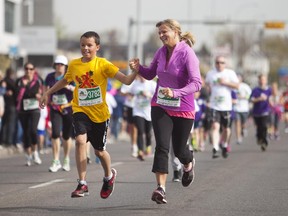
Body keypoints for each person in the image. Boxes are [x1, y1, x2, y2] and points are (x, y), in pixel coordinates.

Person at [40, 31, 138, 199]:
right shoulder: (74, 64)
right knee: (79, 142)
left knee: (99, 152)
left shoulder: (104, 64)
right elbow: (65, 80)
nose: (85, 48)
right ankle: (82, 183)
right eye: (83, 45)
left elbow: (127, 81)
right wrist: (47, 92)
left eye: (89, 45)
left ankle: (109, 176)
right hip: (80, 110)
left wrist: (135, 71)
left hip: (100, 114)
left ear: (97, 47)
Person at [129, 19, 202, 204]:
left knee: (179, 151)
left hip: (183, 108)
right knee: (162, 146)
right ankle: (161, 188)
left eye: (164, 32)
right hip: (160, 105)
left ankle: (188, 163)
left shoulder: (187, 53)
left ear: (176, 31)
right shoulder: (161, 52)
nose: (161, 36)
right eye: (159, 33)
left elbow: (197, 83)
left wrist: (176, 92)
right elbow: (150, 73)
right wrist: (139, 69)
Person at [205, 56, 239, 159]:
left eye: (222, 62)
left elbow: (237, 86)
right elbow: (207, 85)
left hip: (227, 106)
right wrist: (208, 92)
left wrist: (225, 83)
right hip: (215, 105)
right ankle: (215, 148)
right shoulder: (211, 73)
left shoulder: (230, 73)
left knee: (227, 129)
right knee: (215, 127)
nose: (220, 64)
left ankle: (224, 145)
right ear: (215, 63)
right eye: (218, 62)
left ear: (225, 64)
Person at [44, 55, 74, 172]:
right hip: (55, 108)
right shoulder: (50, 77)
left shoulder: (70, 76)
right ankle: (55, 160)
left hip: (68, 108)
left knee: (66, 135)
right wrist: (44, 99)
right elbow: (46, 89)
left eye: (61, 64)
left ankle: (66, 159)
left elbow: (78, 90)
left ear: (65, 66)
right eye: (57, 64)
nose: (59, 66)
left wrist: (68, 87)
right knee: (55, 133)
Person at [16, 62, 43, 166]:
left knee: (33, 130)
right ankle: (28, 156)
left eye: (31, 69)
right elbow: (16, 93)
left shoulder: (38, 80)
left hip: (35, 109)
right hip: (23, 110)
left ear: (34, 70)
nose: (28, 71)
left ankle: (35, 152)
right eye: (27, 68)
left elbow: (43, 92)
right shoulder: (19, 81)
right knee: (26, 132)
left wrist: (40, 96)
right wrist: (32, 94)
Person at [129, 74, 156, 161]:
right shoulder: (135, 84)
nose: (142, 77)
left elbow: (157, 96)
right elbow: (130, 93)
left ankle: (148, 146)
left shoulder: (152, 84)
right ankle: (140, 151)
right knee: (140, 131)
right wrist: (131, 96)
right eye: (140, 75)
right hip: (138, 111)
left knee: (148, 132)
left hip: (149, 111)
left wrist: (148, 95)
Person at [250, 74, 272, 151]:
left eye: (264, 79)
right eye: (261, 79)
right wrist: (259, 99)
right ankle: (259, 138)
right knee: (259, 128)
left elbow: (271, 99)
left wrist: (272, 103)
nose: (262, 81)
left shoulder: (269, 90)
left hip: (265, 111)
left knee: (264, 126)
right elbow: (252, 100)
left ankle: (264, 141)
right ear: (259, 80)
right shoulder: (255, 90)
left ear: (266, 80)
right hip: (256, 112)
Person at [0, 68, 17, 147]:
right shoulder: (12, 82)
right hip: (11, 105)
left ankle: (3, 141)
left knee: (4, 124)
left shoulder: (3, 81)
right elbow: (17, 91)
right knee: (10, 124)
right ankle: (9, 142)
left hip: (4, 105)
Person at [234, 74, 252, 144]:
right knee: (237, 124)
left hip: (244, 108)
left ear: (241, 79)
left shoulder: (245, 86)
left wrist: (244, 97)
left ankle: (244, 128)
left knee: (243, 123)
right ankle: (238, 138)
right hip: (236, 108)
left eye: (238, 78)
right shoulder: (233, 86)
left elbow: (250, 95)